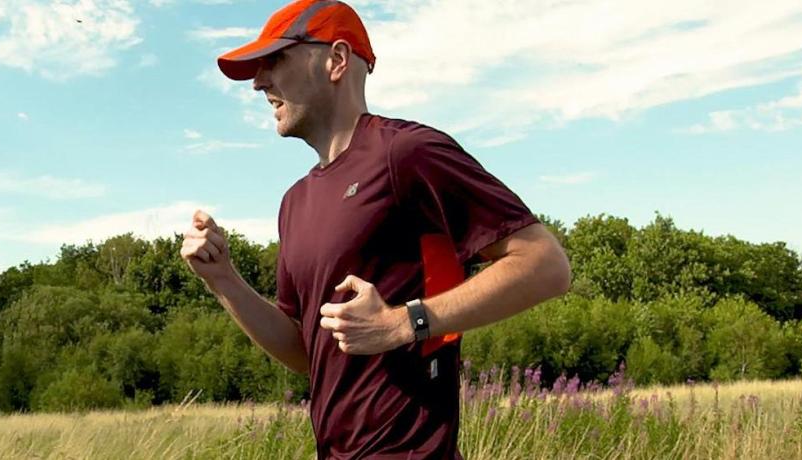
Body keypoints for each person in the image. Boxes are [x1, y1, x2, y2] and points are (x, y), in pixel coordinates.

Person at [180, 1, 572, 458]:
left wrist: (403, 323)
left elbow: (545, 264)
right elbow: (306, 352)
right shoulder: (294, 203)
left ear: (336, 60)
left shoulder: (406, 153)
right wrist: (223, 279)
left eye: (276, 60)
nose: (259, 82)